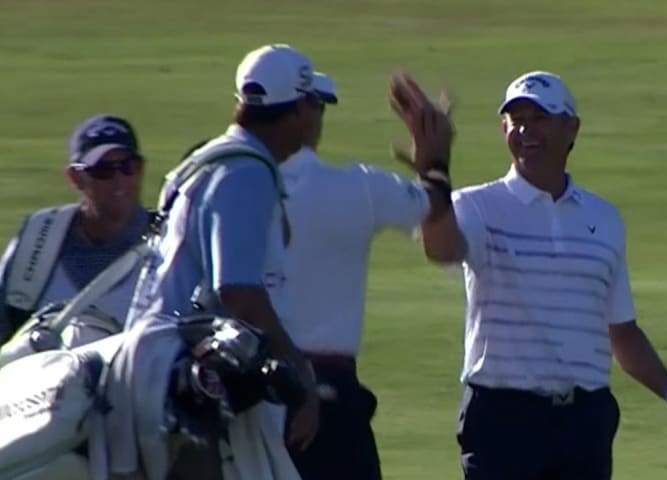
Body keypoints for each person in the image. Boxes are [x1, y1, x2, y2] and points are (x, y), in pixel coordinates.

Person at [414, 70, 667, 479]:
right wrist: (433, 174)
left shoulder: (603, 219)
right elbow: (440, 248)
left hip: (584, 422)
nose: (525, 131)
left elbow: (620, 332)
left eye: (540, 119)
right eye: (516, 121)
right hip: (503, 419)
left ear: (571, 128)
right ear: (503, 129)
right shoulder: (476, 207)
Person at [125, 44, 327, 478]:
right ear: (295, 112)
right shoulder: (246, 172)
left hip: (159, 369)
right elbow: (237, 292)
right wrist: (299, 372)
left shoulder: (207, 161)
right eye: (311, 106)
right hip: (191, 389)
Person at [271, 71, 455, 479]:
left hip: (240, 396)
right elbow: (434, 203)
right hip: (327, 401)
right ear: (305, 113)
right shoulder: (357, 189)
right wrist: (434, 161)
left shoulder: (211, 182)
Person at [0, 114, 151, 345]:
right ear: (75, 178)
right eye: (103, 170)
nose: (119, 179)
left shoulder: (169, 241)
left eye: (128, 167)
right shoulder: (38, 237)